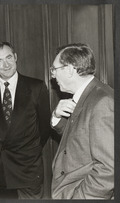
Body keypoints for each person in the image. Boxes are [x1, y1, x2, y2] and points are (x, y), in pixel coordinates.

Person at [0, 41, 52, 199]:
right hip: (0, 166)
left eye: (9, 57)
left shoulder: (36, 87)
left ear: (16, 57)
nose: (5, 65)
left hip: (28, 165)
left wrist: (30, 149)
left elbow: (45, 127)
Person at [50, 43, 114, 199]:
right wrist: (57, 117)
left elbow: (108, 169)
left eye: (55, 70)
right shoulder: (87, 95)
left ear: (70, 70)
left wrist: (79, 197)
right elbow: (79, 139)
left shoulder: (102, 101)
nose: (52, 75)